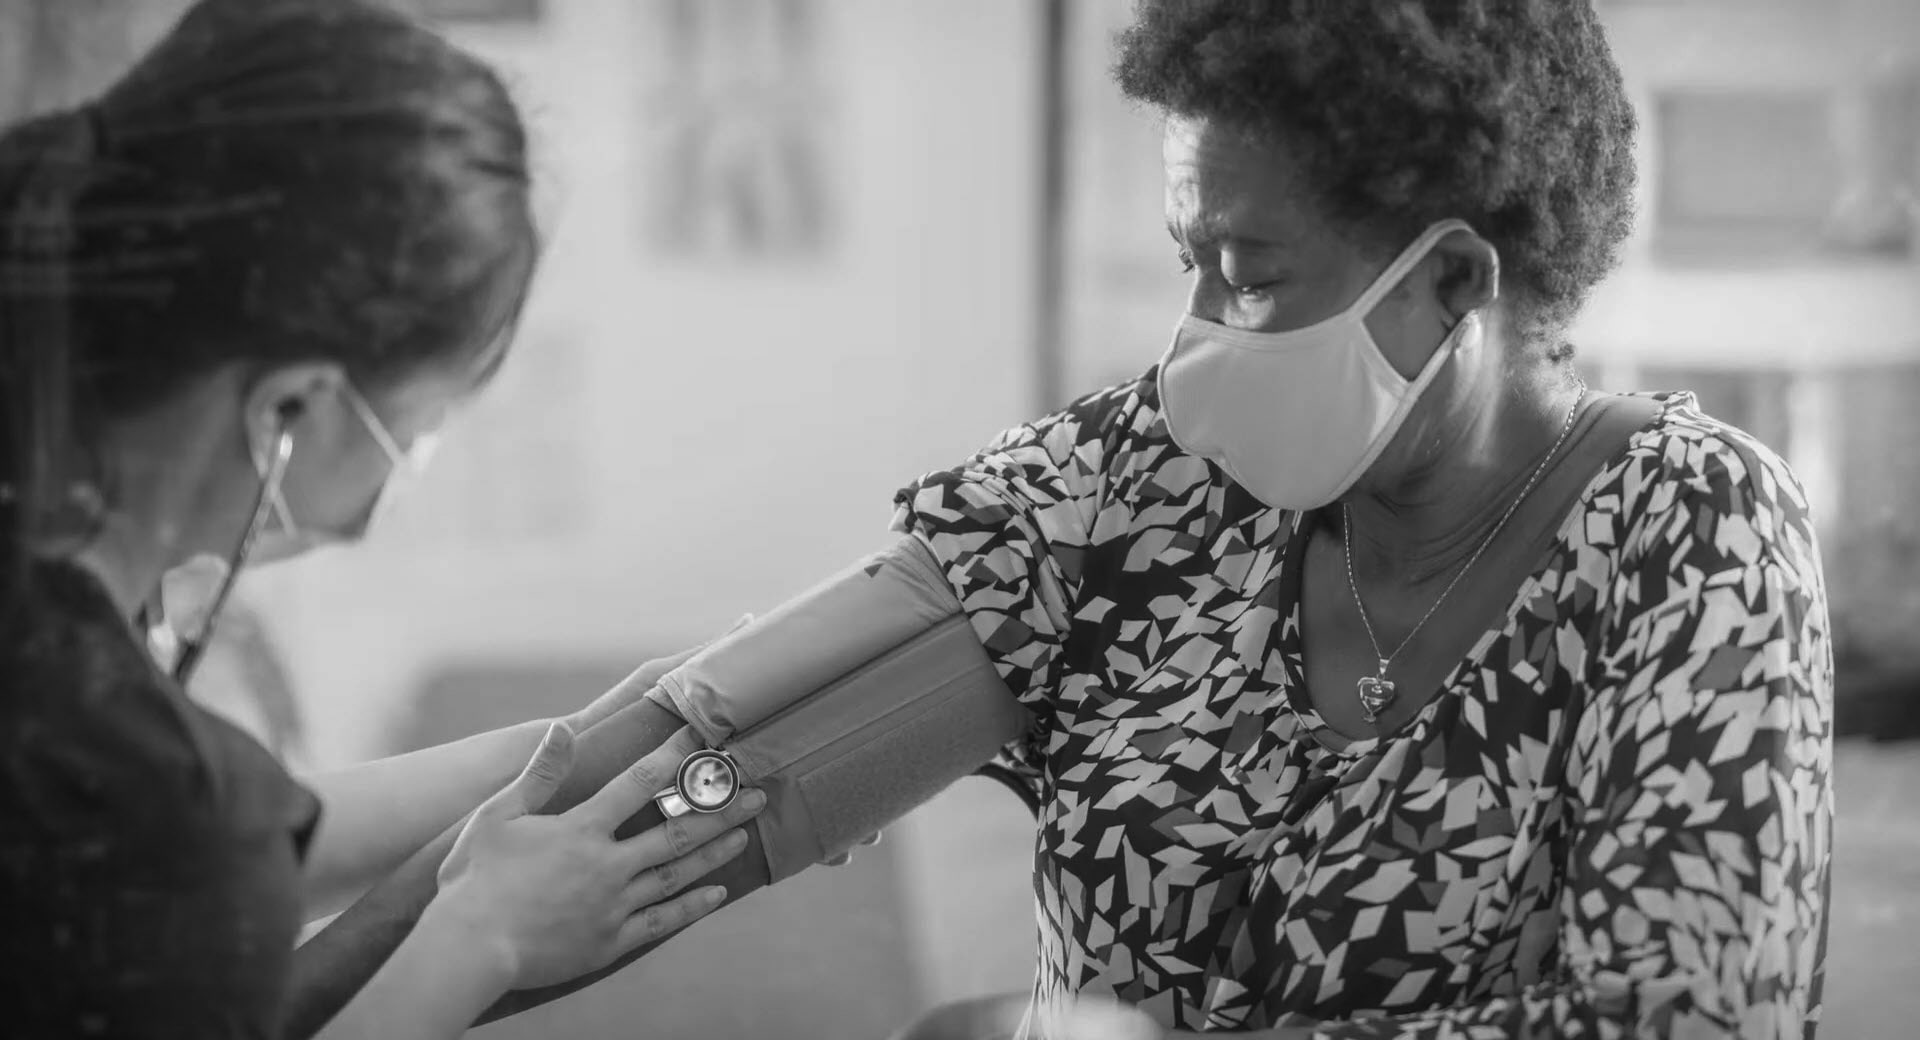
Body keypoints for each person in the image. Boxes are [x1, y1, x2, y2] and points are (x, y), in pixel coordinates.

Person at [265, 2, 1836, 1038]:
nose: (1198, 330)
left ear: (1452, 280)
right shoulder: (1146, 483)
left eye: (1253, 269)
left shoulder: (1688, 534)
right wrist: (284, 1009)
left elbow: (1680, 1018)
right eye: (1185, 255)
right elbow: (710, 760)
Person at [0, 1, 765, 1036]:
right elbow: (180, 844)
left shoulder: (60, 600)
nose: (415, 461)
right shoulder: (123, 776)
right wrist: (480, 939)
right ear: (291, 410)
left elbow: (247, 834)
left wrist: (582, 741)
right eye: (422, 420)